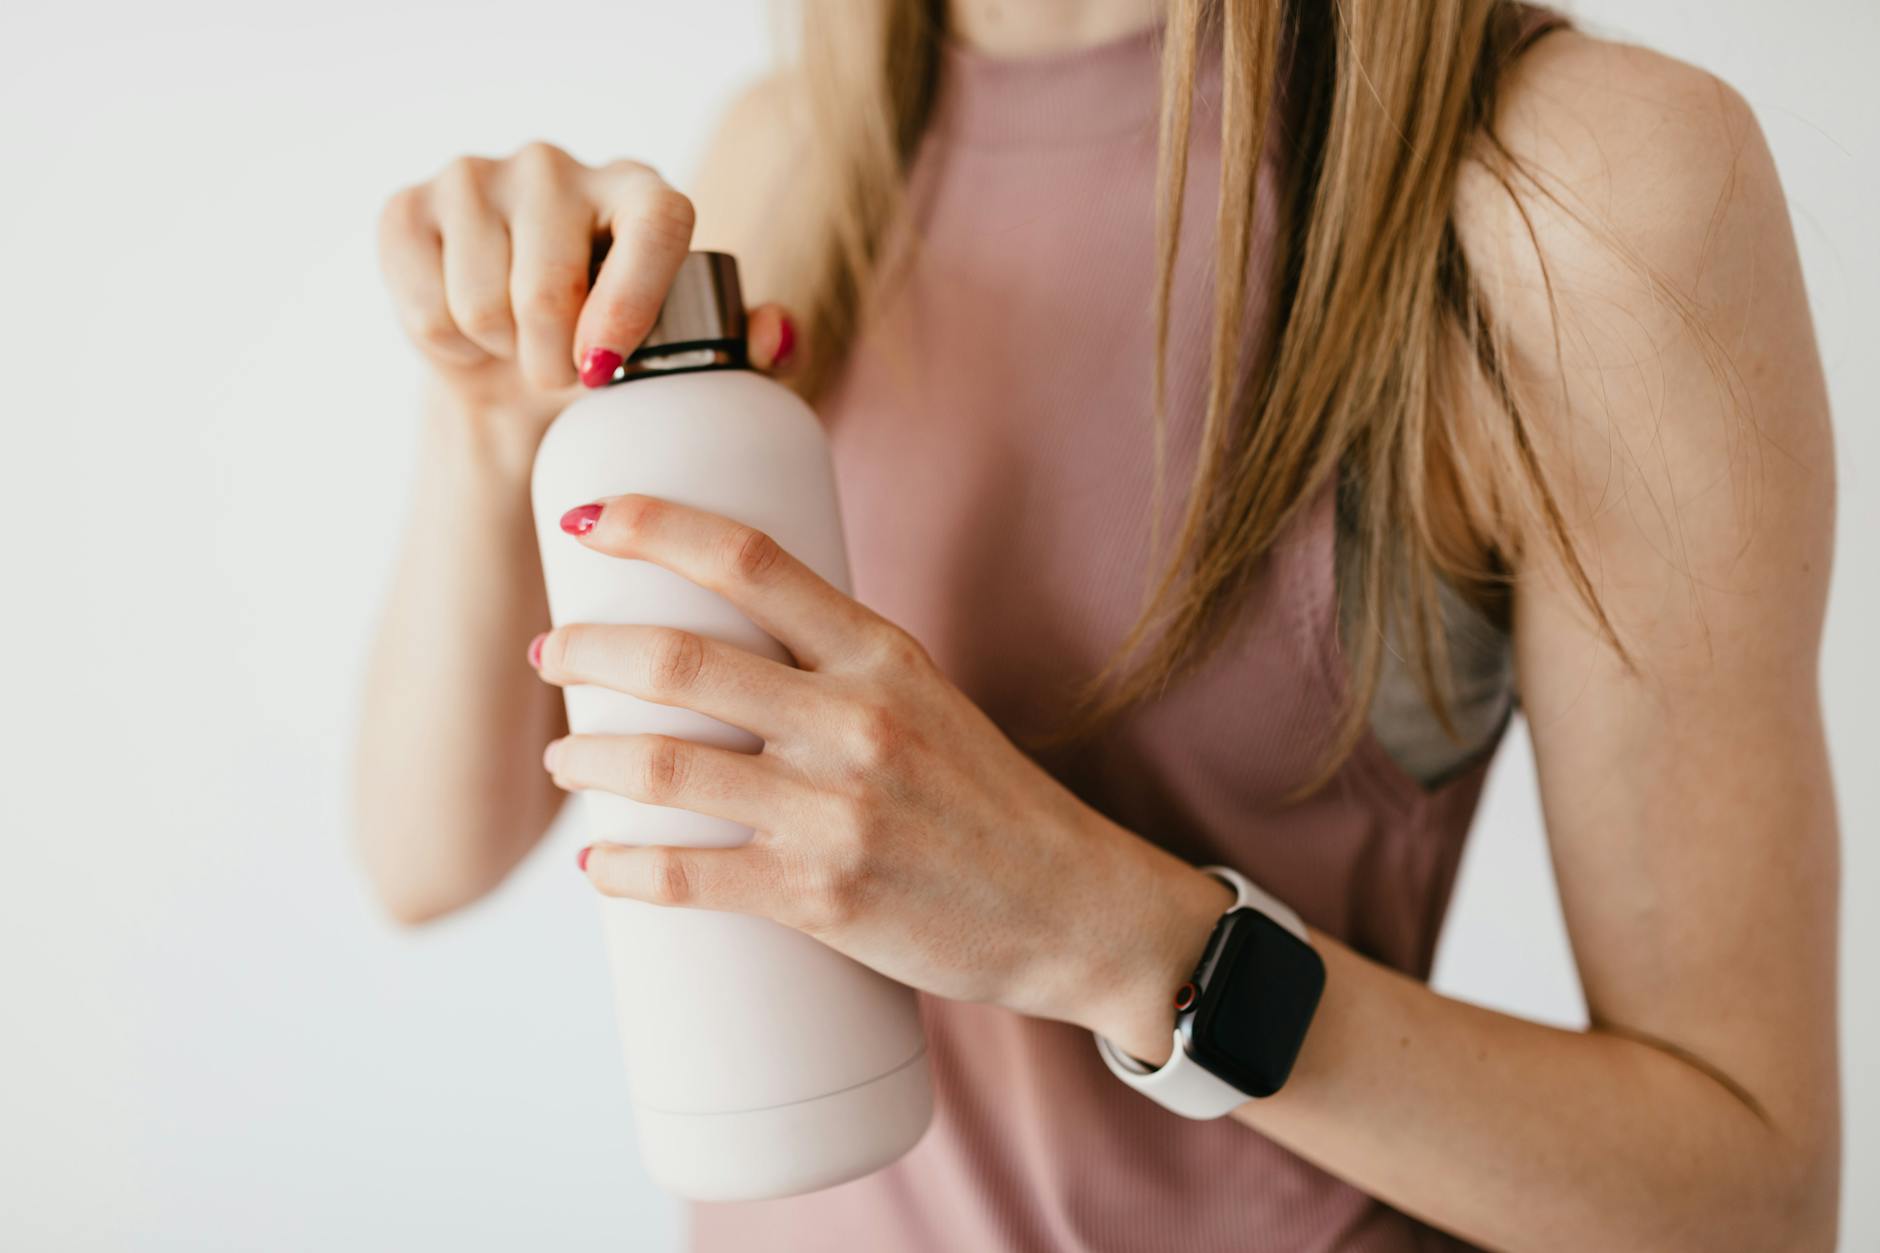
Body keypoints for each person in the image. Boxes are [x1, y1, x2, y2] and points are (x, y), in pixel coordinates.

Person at [354, 2, 1841, 1249]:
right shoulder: (798, 149)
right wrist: (491, 432)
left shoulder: (1572, 185)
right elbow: (424, 857)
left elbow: (1754, 1204)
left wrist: (1110, 936)